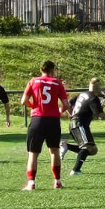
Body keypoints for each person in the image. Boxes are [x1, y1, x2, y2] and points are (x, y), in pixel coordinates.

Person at [21, 60, 69, 190]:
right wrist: (60, 110)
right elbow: (66, 104)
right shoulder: (57, 83)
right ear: (52, 70)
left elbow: (23, 101)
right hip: (53, 120)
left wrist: (33, 106)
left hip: (38, 119)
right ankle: (57, 181)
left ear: (41, 69)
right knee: (54, 151)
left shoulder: (33, 81)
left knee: (33, 153)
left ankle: (31, 183)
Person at [61, 78, 105, 175]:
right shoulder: (93, 98)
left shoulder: (83, 94)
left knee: (93, 150)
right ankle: (75, 170)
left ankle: (66, 146)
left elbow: (68, 103)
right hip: (80, 124)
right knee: (87, 147)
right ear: (98, 88)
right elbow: (100, 116)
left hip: (75, 124)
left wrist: (72, 114)